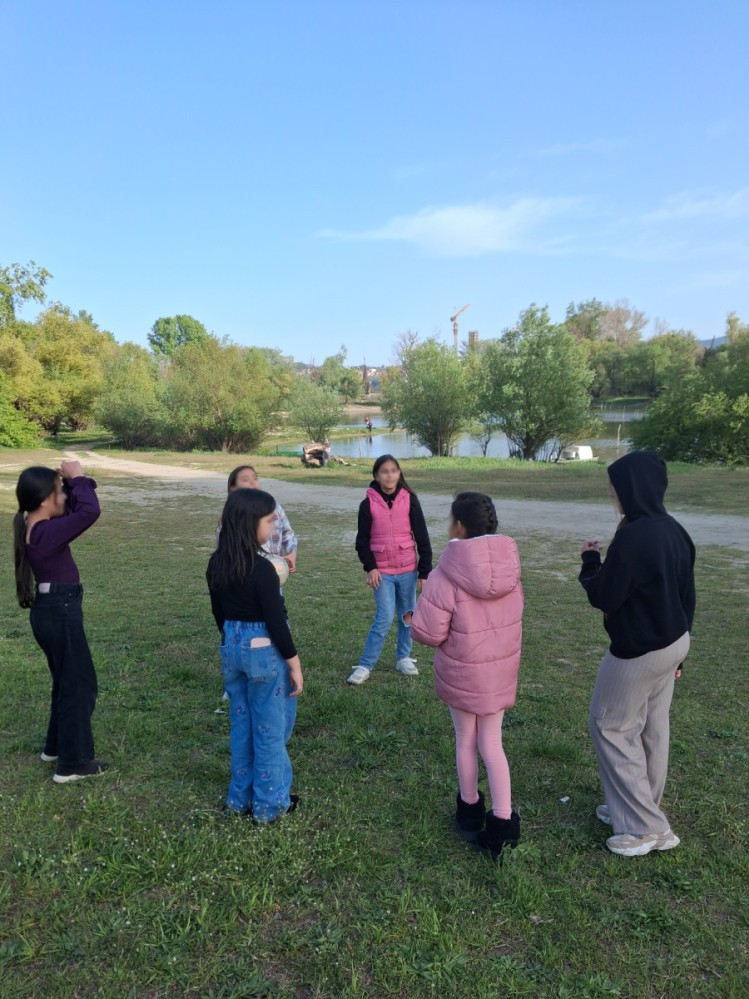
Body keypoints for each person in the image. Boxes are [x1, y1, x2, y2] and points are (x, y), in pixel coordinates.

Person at [578, 450, 695, 858]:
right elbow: (687, 597)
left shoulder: (634, 536)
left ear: (632, 488)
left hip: (640, 650)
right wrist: (680, 658)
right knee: (651, 727)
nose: (613, 494)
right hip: (673, 642)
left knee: (609, 724)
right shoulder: (675, 530)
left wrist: (589, 562)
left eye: (615, 487)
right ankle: (638, 806)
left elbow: (605, 595)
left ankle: (647, 828)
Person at [410, 492, 524, 858]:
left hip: (462, 673)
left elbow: (430, 633)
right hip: (498, 672)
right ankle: (503, 824)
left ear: (459, 525)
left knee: (465, 739)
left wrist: (413, 620)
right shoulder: (512, 572)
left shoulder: (444, 575)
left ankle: (470, 812)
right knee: (492, 744)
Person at [207, 488, 303, 822]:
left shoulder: (216, 563)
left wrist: (232, 641)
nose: (273, 527)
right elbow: (276, 622)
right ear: (251, 524)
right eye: (269, 521)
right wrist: (294, 663)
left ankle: (239, 799)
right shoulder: (263, 570)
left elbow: (219, 614)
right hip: (264, 650)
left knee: (242, 723)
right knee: (270, 728)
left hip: (231, 646)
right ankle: (269, 805)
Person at [13, 460, 107, 783]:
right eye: (59, 492)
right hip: (60, 609)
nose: (64, 496)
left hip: (51, 609)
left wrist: (68, 481)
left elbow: (75, 507)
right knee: (80, 686)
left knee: (66, 682)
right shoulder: (45, 533)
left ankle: (55, 748)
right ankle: (73, 764)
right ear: (43, 500)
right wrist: (78, 478)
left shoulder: (37, 526)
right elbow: (89, 512)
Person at [347, 455, 432, 685]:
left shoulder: (410, 500)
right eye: (384, 471)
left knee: (407, 616)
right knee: (384, 618)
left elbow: (422, 537)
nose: (389, 475)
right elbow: (361, 542)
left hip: (408, 570)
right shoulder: (367, 504)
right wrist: (371, 567)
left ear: (399, 473)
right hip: (382, 573)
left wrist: (424, 572)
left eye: (394, 470)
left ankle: (403, 657)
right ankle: (365, 664)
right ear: (376, 475)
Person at [223, 466, 298, 573]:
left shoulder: (273, 507)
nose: (252, 482)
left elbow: (287, 532)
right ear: (232, 488)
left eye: (255, 478)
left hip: (275, 571)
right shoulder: (232, 516)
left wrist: (292, 551)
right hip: (247, 574)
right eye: (245, 480)